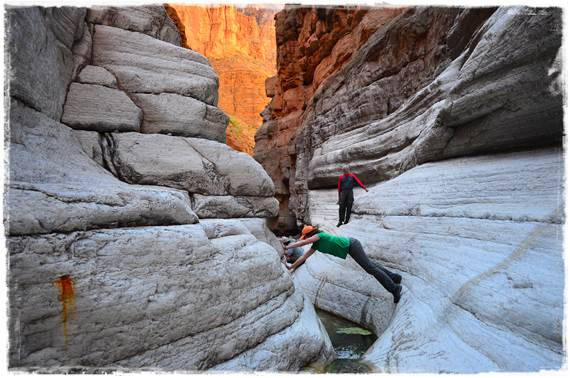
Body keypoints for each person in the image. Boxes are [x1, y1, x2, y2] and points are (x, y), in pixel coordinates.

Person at [283, 225, 403, 303]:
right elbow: (303, 257)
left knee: (370, 268)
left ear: (310, 234)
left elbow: (302, 244)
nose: (305, 239)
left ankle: (394, 288)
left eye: (306, 237)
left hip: (352, 245)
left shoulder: (320, 236)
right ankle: (394, 277)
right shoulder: (316, 246)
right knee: (371, 265)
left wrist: (287, 246)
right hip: (351, 247)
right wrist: (290, 266)